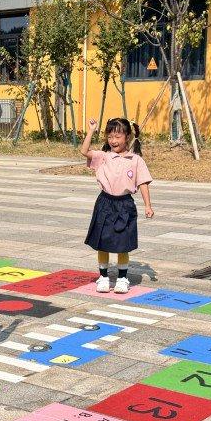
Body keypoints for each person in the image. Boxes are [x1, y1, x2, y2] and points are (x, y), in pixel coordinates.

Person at [81, 117, 154, 294]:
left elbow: (143, 183)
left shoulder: (135, 160)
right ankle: (103, 277)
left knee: (123, 244)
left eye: (118, 137)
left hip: (125, 205)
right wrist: (91, 130)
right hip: (105, 203)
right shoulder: (103, 157)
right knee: (103, 243)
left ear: (127, 137)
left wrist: (148, 205)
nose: (113, 141)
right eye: (110, 137)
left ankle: (122, 278)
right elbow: (84, 151)